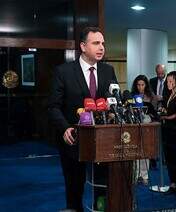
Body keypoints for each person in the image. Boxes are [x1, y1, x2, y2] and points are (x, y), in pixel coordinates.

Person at [48, 27, 118, 211]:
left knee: (102, 187)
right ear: (83, 46)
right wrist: (64, 128)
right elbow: (53, 106)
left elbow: (114, 99)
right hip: (73, 140)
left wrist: (113, 111)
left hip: (104, 140)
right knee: (74, 188)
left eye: (103, 43)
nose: (101, 47)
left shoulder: (108, 71)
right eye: (96, 43)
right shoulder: (63, 71)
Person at [131, 74, 157, 184]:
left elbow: (155, 114)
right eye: (138, 85)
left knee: (145, 151)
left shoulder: (151, 97)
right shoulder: (131, 96)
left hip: (147, 126)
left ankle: (144, 175)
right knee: (134, 150)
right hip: (134, 126)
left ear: (146, 85)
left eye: (142, 85)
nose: (140, 87)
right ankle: (135, 175)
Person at [160, 71, 176, 194]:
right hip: (167, 130)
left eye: (171, 81)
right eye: (167, 81)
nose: (168, 83)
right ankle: (173, 184)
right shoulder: (168, 93)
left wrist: (165, 117)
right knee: (169, 157)